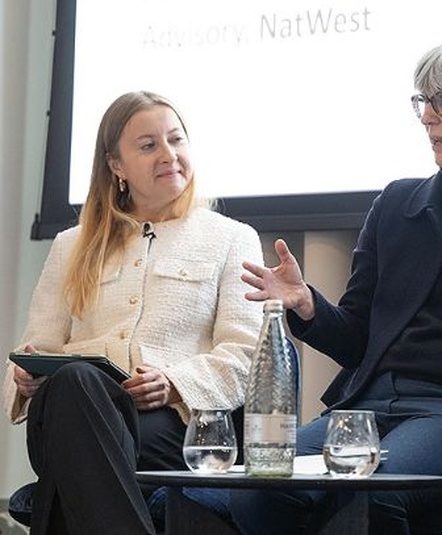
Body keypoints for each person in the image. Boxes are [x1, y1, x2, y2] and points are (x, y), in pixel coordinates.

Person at [225, 38, 442, 534]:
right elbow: (354, 338)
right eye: (423, 101)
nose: (427, 117)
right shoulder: (396, 203)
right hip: (364, 410)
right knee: (248, 487)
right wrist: (307, 306)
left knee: (367, 490)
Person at [2, 90, 264, 534]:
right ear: (116, 165)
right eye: (148, 145)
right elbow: (39, 346)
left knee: (75, 461)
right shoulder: (71, 246)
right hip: (69, 408)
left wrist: (175, 383)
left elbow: (245, 357)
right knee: (75, 382)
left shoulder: (230, 238)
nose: (169, 154)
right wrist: (27, 376)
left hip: (168, 425)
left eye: (176, 140)